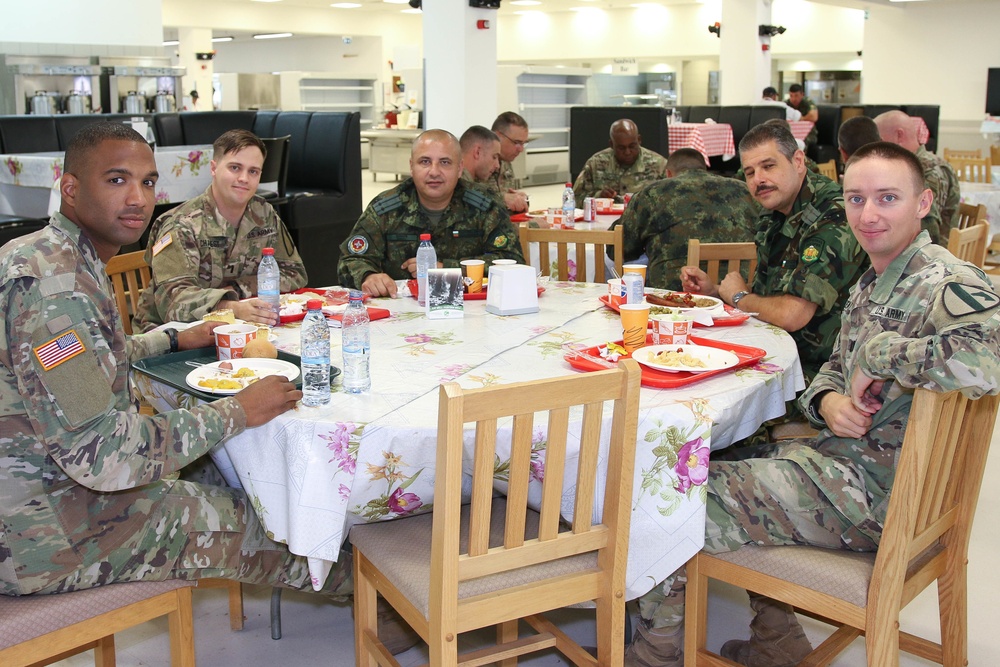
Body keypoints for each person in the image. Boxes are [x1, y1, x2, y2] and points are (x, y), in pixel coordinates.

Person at [626, 141, 1000, 667]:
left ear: (923, 203)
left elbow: (989, 359)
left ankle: (654, 654)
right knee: (716, 460)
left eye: (887, 198)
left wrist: (883, 352)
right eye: (855, 199)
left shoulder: (944, 281)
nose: (867, 215)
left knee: (669, 496)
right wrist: (826, 400)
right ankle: (777, 643)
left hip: (877, 496)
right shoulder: (877, 278)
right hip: (847, 464)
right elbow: (833, 366)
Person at [0, 122, 345, 599]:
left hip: (49, 494)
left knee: (226, 470)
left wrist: (172, 339)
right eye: (117, 180)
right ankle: (389, 600)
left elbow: (91, 361)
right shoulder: (55, 289)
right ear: (71, 190)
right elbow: (102, 454)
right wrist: (238, 410)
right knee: (288, 526)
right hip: (51, 532)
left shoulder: (51, 255)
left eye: (146, 182)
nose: (139, 198)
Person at [681, 122, 868, 385]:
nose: (758, 179)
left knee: (711, 400)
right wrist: (715, 293)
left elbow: (792, 314)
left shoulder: (834, 216)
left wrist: (738, 296)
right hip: (773, 351)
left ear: (798, 161)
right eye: (749, 172)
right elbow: (768, 298)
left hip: (821, 373)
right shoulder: (774, 210)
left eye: (768, 166)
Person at [133, 129, 308, 332]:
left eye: (253, 171)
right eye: (235, 168)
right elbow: (173, 302)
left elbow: (295, 273)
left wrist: (238, 289)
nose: (244, 178)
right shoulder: (181, 224)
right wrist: (229, 306)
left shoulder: (263, 213)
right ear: (214, 168)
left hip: (242, 327)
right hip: (171, 335)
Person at [337, 129, 525, 297]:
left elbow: (512, 262)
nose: (434, 172)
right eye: (425, 162)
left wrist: (447, 269)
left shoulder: (486, 206)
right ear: (412, 167)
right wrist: (368, 276)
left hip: (471, 311)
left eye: (445, 162)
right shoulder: (385, 208)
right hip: (402, 313)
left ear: (459, 169)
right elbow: (351, 260)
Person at [614, 147, 756, 291]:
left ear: (668, 173)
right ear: (704, 169)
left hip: (672, 298)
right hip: (738, 295)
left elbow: (619, 248)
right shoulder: (746, 191)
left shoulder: (652, 194)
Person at [875, 109, 960, 245]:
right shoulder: (909, 167)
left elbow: (928, 229)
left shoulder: (929, 170)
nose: (876, 147)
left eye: (880, 140)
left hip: (933, 256)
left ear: (899, 135)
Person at [571, 118, 668, 207]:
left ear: (639, 140)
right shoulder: (596, 164)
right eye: (621, 148)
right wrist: (599, 196)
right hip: (604, 221)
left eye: (632, 146)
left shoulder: (659, 165)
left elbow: (672, 199)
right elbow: (573, 200)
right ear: (612, 144)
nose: (627, 152)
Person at [490, 111, 530, 213]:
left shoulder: (506, 163)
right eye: (517, 143)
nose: (521, 149)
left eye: (523, 144)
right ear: (498, 136)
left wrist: (519, 199)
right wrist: (501, 199)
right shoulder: (479, 163)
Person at [785, 83, 818, 151]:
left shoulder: (807, 102)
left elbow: (814, 117)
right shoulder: (786, 103)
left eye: (796, 96)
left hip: (809, 133)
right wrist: (805, 118)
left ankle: (803, 160)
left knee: (801, 143)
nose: (793, 99)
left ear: (802, 94)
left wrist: (799, 118)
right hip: (791, 132)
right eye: (791, 96)